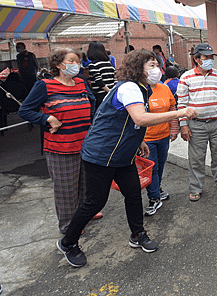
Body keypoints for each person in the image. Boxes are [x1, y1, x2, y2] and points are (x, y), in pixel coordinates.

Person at [56, 49, 198, 268]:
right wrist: (179, 113)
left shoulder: (141, 89)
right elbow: (140, 118)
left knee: (132, 193)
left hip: (123, 155)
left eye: (156, 65)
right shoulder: (130, 87)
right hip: (101, 155)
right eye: (151, 66)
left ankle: (138, 235)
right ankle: (68, 242)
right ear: (137, 68)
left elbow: (129, 120)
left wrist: (137, 140)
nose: (157, 70)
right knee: (94, 201)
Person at [18, 49, 99, 234]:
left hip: (85, 145)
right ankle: (69, 227)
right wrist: (47, 119)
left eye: (78, 61)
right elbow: (25, 111)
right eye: (71, 61)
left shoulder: (80, 82)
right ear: (58, 64)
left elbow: (92, 101)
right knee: (66, 190)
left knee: (85, 184)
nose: (76, 65)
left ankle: (83, 214)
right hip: (60, 148)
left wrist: (92, 123)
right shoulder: (45, 86)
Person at [178, 43, 217, 201]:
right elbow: (181, 104)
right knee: (196, 158)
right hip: (196, 125)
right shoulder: (186, 77)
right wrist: (183, 125)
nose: (209, 60)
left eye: (211, 57)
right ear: (196, 59)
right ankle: (196, 187)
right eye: (206, 57)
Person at [143, 67, 179, 216]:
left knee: (161, 164)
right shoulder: (137, 90)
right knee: (152, 168)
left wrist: (174, 129)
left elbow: (172, 108)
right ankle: (154, 198)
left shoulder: (164, 88)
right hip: (146, 139)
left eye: (155, 65)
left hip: (163, 135)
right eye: (150, 66)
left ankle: (157, 189)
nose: (154, 70)